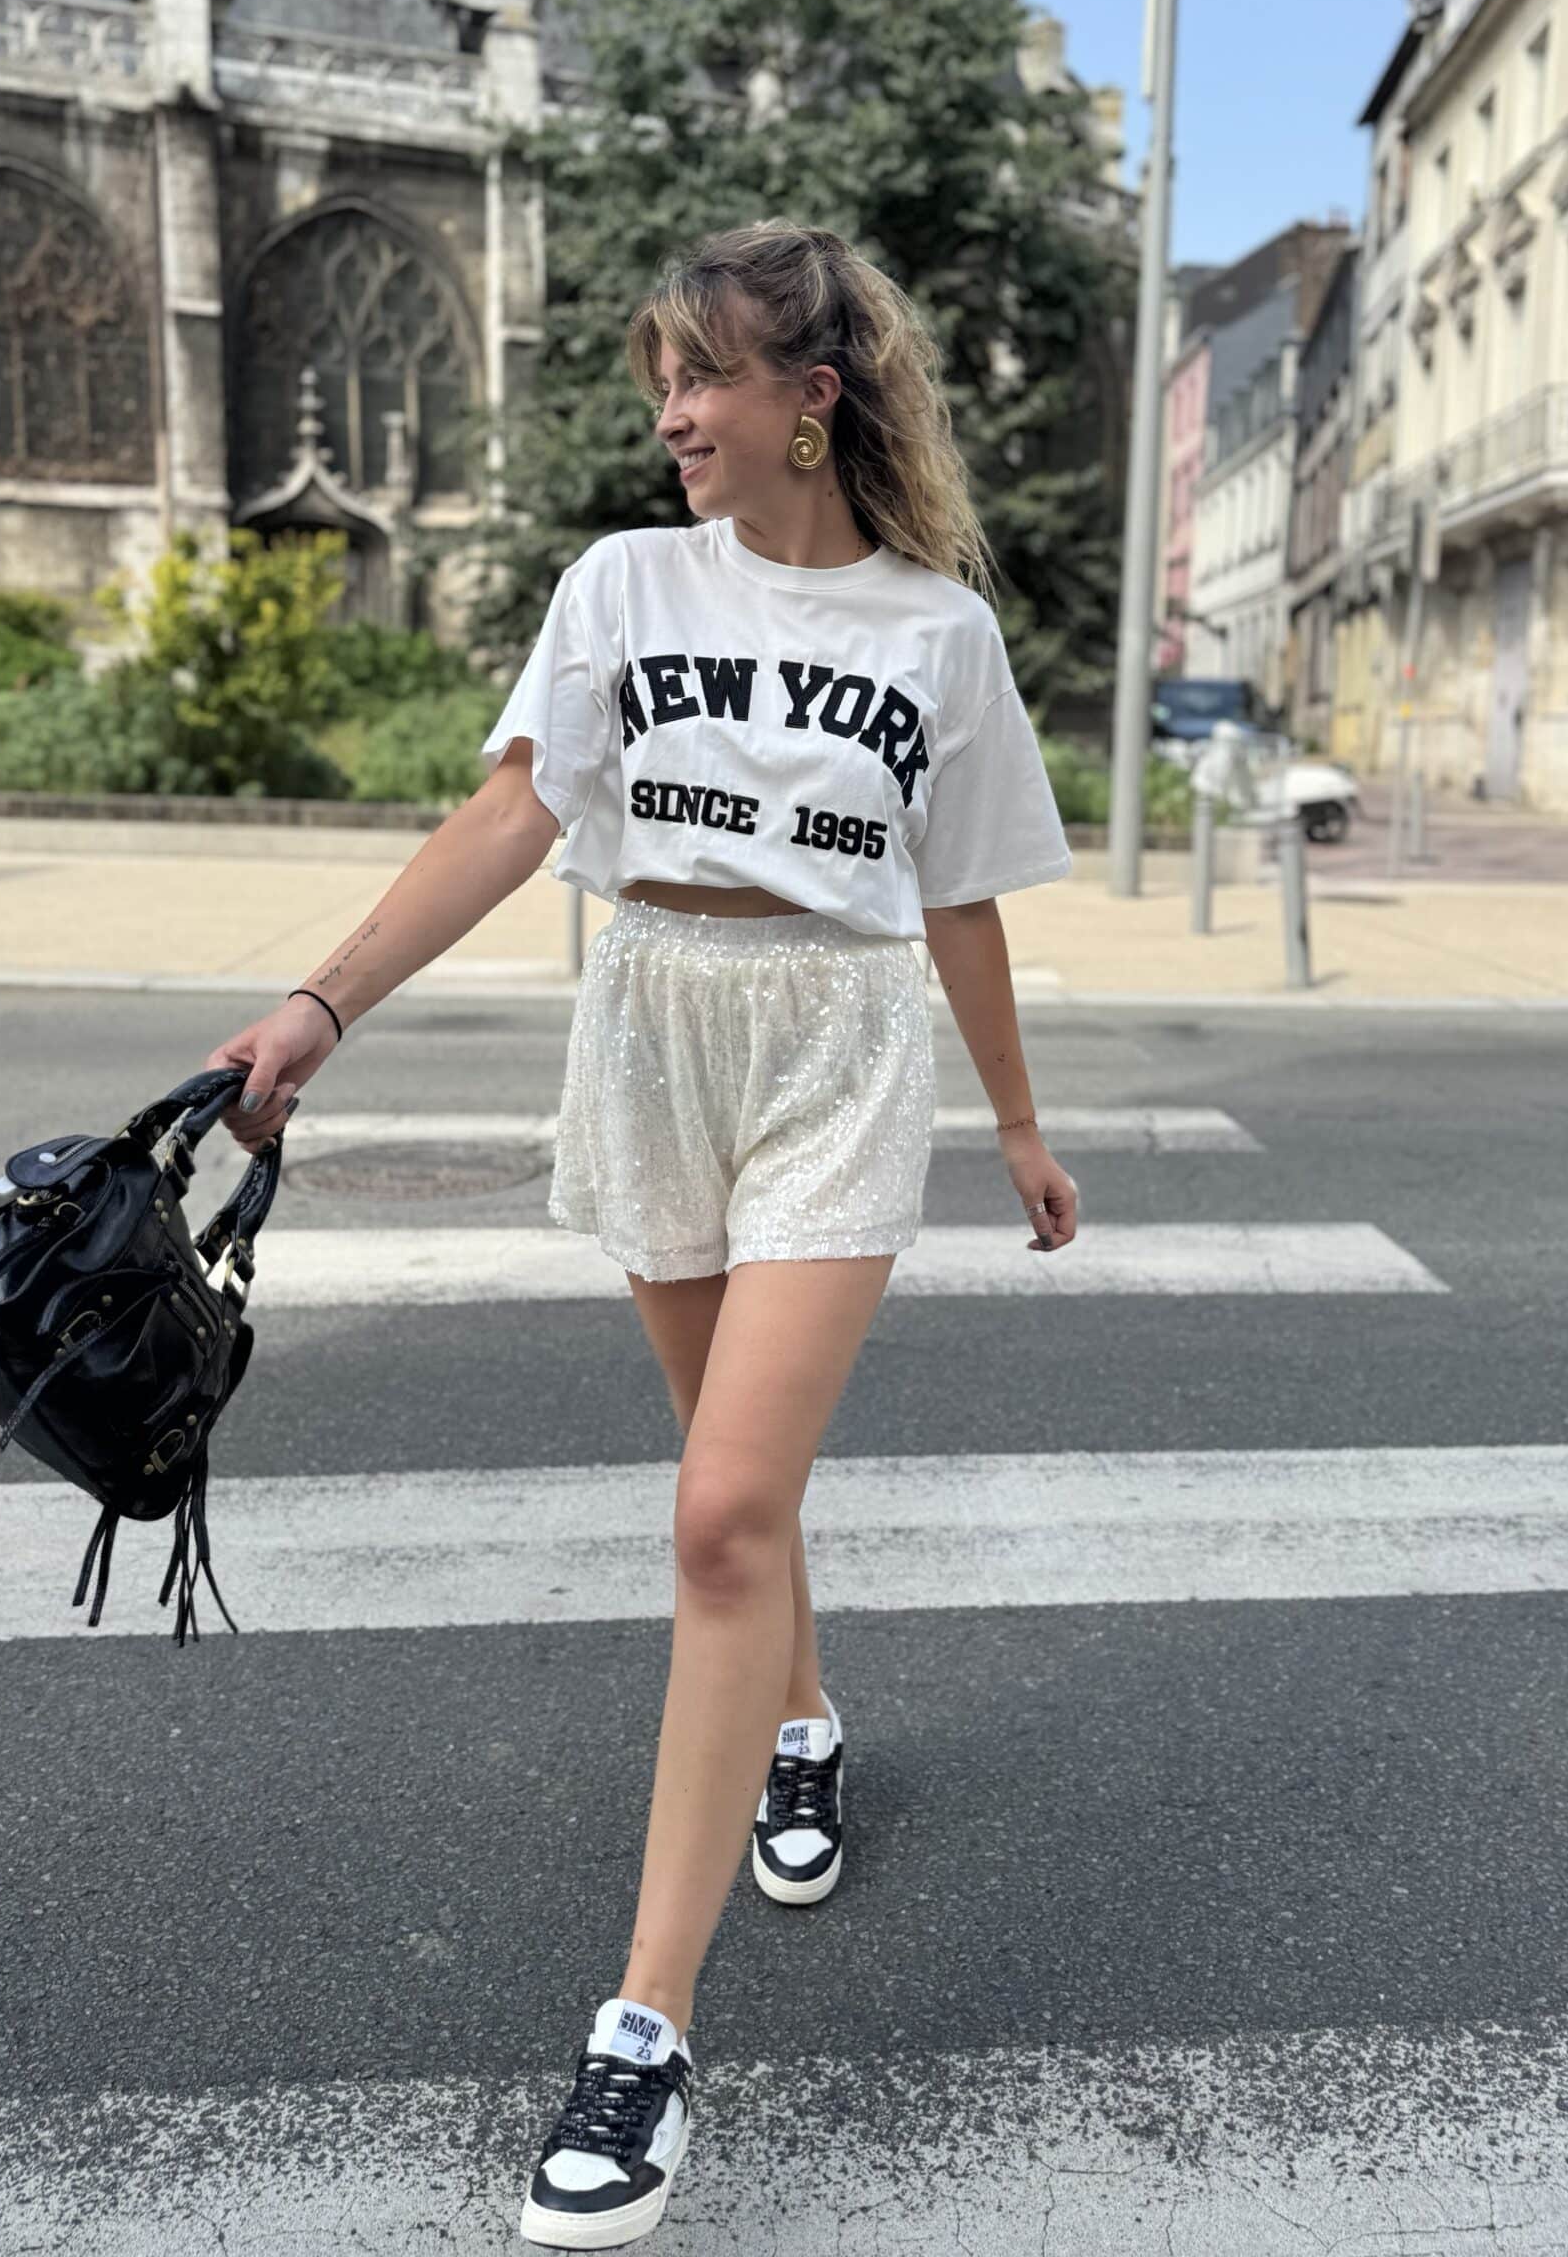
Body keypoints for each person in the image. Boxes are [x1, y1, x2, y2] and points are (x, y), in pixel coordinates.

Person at [202, 217, 1081, 2247]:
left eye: (703, 376)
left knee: (719, 1512)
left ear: (811, 399)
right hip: (654, 1018)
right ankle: (802, 1722)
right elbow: (516, 813)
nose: (672, 413)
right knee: (729, 1493)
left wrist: (1022, 1124)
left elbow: (959, 896)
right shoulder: (621, 583)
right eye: (660, 380)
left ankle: (647, 2027)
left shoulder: (938, 632)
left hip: (838, 1043)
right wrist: (323, 1005)